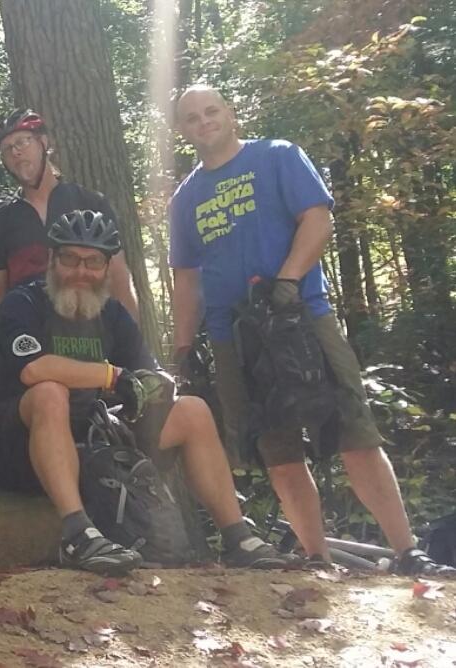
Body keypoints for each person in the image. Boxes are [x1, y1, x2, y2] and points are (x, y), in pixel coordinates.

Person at [169, 84, 454, 577]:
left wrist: (287, 282)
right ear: (182, 130)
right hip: (234, 335)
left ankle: (408, 552)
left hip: (300, 317)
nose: (204, 121)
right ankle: (316, 558)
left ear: (230, 114)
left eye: (211, 111)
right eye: (192, 117)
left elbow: (317, 220)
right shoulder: (185, 198)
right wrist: (184, 346)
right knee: (277, 448)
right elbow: (187, 278)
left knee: (353, 431)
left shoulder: (277, 156)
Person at [0, 210, 295, 576]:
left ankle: (238, 538)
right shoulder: (23, 303)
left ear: (107, 268)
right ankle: (77, 535)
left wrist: (155, 386)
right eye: (70, 259)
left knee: (191, 410)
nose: (81, 272)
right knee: (50, 392)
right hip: (15, 446)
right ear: (52, 259)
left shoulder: (113, 314)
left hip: (91, 442)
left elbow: (147, 375)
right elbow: (34, 369)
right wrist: (112, 376)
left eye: (93, 262)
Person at [0, 109, 140, 394]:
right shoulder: (3, 219)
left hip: (88, 331)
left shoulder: (90, 202)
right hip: (30, 336)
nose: (15, 152)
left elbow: (119, 276)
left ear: (43, 142)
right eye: (7, 149)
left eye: (22, 142)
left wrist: (134, 347)